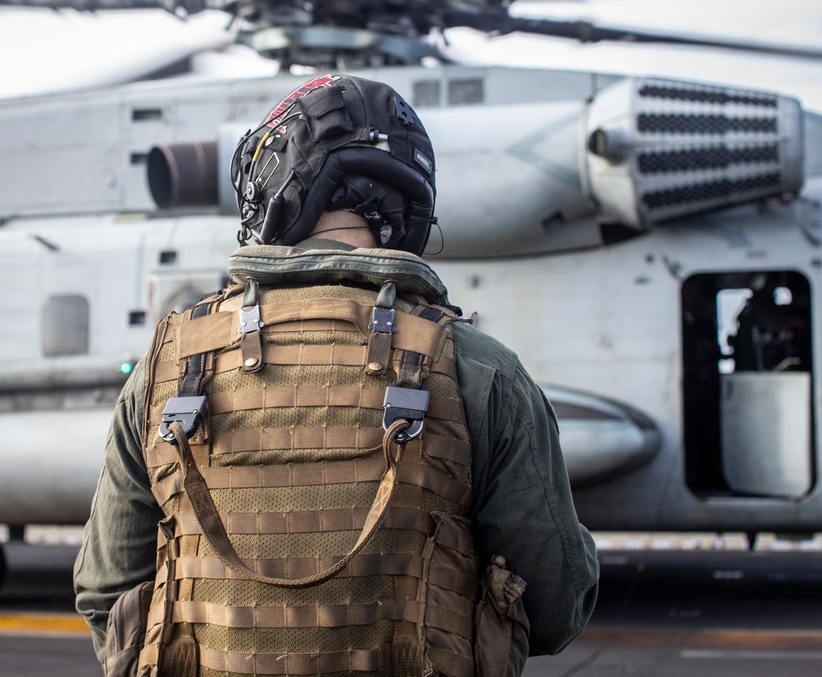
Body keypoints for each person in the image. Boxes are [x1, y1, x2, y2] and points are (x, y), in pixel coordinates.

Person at [74, 74, 598, 676]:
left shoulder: (165, 369)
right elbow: (556, 605)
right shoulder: (481, 371)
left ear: (271, 193)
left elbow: (106, 592)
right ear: (410, 208)